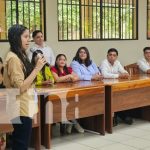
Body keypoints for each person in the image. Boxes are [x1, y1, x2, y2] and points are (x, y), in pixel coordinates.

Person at [3, 24, 46, 150]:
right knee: (21, 143)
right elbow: (20, 87)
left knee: (21, 141)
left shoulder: (19, 55)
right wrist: (37, 68)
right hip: (19, 106)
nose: (29, 40)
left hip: (24, 105)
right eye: (26, 37)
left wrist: (34, 64)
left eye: (29, 37)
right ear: (16, 38)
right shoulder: (13, 58)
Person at [51, 54, 84, 134]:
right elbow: (57, 80)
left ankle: (71, 124)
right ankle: (75, 124)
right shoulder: (53, 68)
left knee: (73, 105)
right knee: (66, 107)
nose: (62, 61)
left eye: (64, 60)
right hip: (58, 94)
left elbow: (77, 78)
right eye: (60, 59)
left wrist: (69, 78)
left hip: (69, 92)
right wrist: (69, 76)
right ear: (56, 61)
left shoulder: (68, 68)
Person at [100, 48, 133, 125]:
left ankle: (121, 115)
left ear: (116, 57)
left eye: (114, 55)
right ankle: (115, 116)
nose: (112, 57)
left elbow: (124, 71)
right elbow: (105, 75)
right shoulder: (104, 62)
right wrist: (119, 75)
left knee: (122, 98)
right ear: (107, 56)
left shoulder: (117, 62)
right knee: (113, 100)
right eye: (110, 55)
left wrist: (125, 73)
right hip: (106, 87)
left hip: (116, 86)